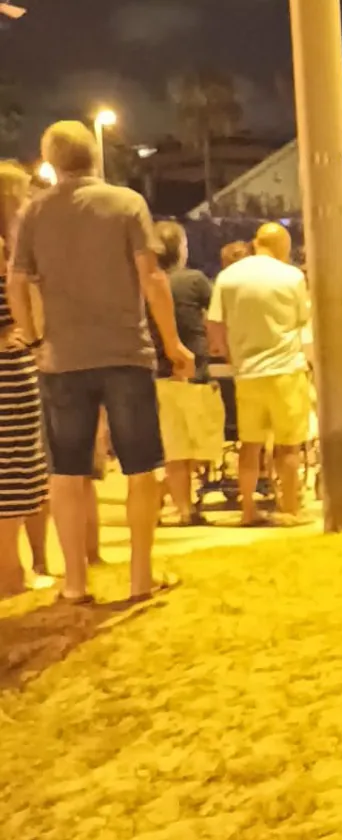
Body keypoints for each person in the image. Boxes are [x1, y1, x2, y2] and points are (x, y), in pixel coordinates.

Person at [8, 121, 193, 604]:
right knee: (140, 466)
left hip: (62, 358)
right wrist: (173, 343)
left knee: (66, 471)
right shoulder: (128, 204)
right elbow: (151, 278)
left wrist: (32, 337)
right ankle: (140, 577)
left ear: (51, 160)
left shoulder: (34, 213)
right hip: (125, 352)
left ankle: (73, 582)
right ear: (95, 155)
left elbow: (18, 281)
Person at [207, 222, 311, 526]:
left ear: (256, 242)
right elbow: (302, 321)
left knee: (249, 445)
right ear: (282, 247)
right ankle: (290, 509)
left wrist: (231, 355)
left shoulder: (228, 277)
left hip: (247, 373)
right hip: (286, 370)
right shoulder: (292, 277)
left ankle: (248, 510)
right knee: (288, 445)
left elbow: (215, 326)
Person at [150, 221, 222, 527]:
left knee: (174, 447)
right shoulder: (195, 281)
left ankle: (182, 507)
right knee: (199, 444)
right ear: (180, 249)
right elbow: (217, 317)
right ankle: (180, 502)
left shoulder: (144, 285)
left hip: (157, 374)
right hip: (194, 373)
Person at [0, 162, 49, 596]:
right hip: (9, 376)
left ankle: (17, 571)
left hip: (19, 371)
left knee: (22, 469)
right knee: (11, 470)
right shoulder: (6, 252)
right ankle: (9, 575)